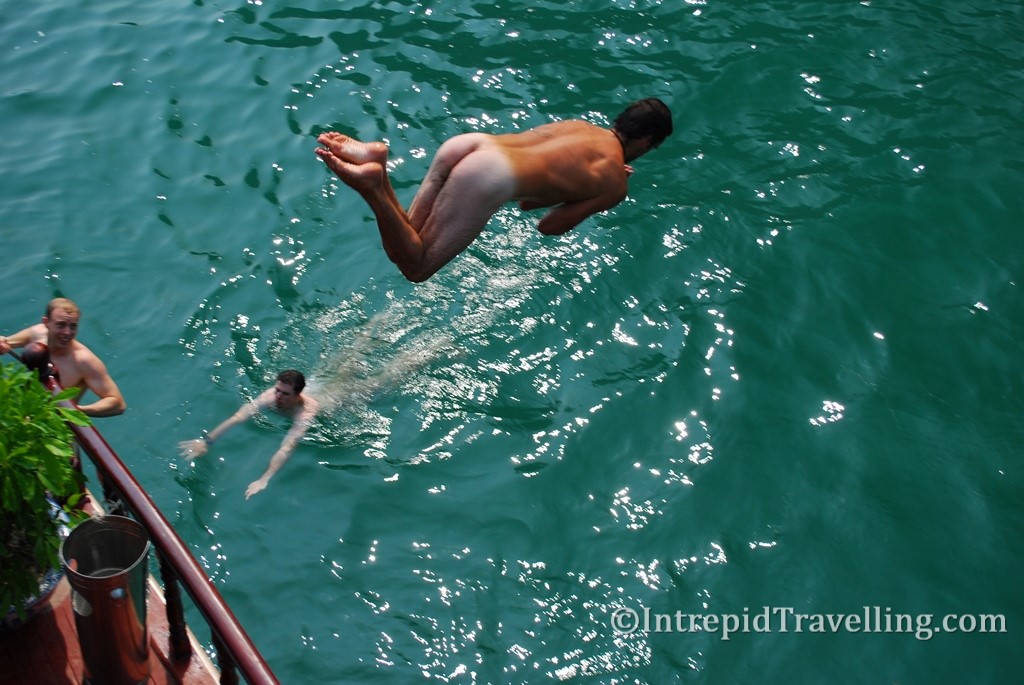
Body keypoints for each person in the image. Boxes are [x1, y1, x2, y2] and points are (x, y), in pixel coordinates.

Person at [315, 97, 673, 282]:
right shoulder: (614, 183)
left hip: (469, 145)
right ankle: (373, 185)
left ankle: (377, 161)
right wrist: (605, 190)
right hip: (487, 175)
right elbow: (547, 224)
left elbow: (533, 187)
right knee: (417, 268)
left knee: (409, 240)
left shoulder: (580, 126)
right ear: (646, 141)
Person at [178, 370, 320, 499]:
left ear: (297, 395)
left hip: (324, 399)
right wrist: (207, 441)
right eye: (277, 390)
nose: (278, 396)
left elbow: (287, 447)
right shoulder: (269, 396)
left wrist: (264, 479)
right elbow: (238, 417)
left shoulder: (305, 413)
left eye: (285, 394)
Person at [0, 297, 126, 417]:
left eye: (73, 326)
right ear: (46, 323)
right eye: (61, 325)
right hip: (18, 406)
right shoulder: (37, 334)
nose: (67, 332)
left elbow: (118, 404)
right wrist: (3, 344)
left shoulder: (84, 361)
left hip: (49, 422)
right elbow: (5, 342)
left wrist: (76, 410)